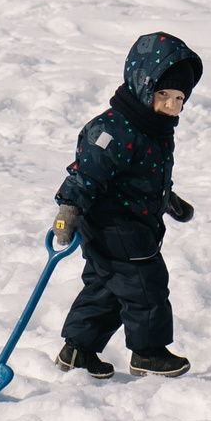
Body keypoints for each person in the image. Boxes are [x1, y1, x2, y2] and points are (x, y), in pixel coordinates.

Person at [50, 31, 201, 379]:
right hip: (115, 225)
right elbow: (86, 175)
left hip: (135, 221)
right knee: (146, 284)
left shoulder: (154, 127)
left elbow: (142, 175)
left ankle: (78, 351)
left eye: (180, 98)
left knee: (108, 288)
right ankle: (149, 352)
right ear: (143, 85)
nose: (172, 105)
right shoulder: (111, 131)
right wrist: (67, 211)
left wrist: (167, 199)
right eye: (164, 95)